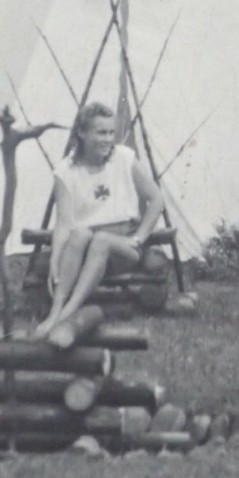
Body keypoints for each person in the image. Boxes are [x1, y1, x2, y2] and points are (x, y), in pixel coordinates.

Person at [34, 102, 164, 338]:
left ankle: (66, 314)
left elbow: (156, 199)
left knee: (102, 239)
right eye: (100, 132)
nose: (107, 139)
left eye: (111, 133)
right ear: (82, 133)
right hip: (84, 246)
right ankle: (56, 311)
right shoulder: (66, 171)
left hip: (122, 246)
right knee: (80, 233)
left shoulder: (124, 159)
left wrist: (139, 237)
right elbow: (63, 222)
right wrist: (55, 258)